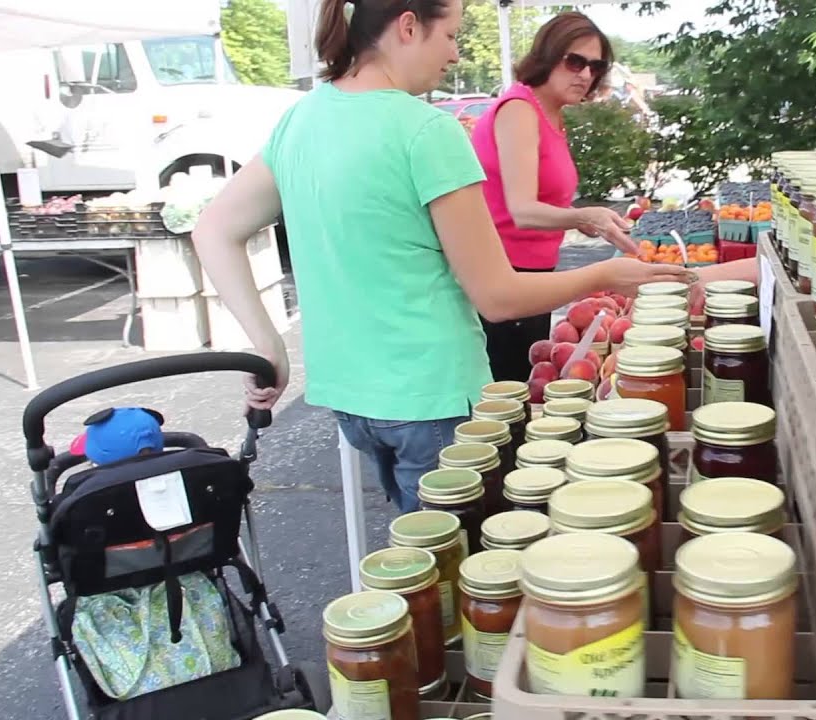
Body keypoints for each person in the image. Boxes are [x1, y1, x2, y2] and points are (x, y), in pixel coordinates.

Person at [191, 0, 687, 513]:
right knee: (460, 574)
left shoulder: (301, 119)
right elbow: (496, 296)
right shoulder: (426, 130)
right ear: (408, 26)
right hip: (434, 398)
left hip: (350, 399)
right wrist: (605, 274)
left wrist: (268, 347)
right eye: (450, 35)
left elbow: (213, 230)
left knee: (418, 561)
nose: (454, 55)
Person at [471, 12, 636, 382]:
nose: (585, 74)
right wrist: (583, 217)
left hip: (530, 276)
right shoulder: (519, 110)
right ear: (547, 55)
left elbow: (543, 203)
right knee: (509, 394)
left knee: (523, 387)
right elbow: (522, 210)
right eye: (575, 61)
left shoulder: (549, 114)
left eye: (596, 66)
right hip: (506, 278)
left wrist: (588, 219)